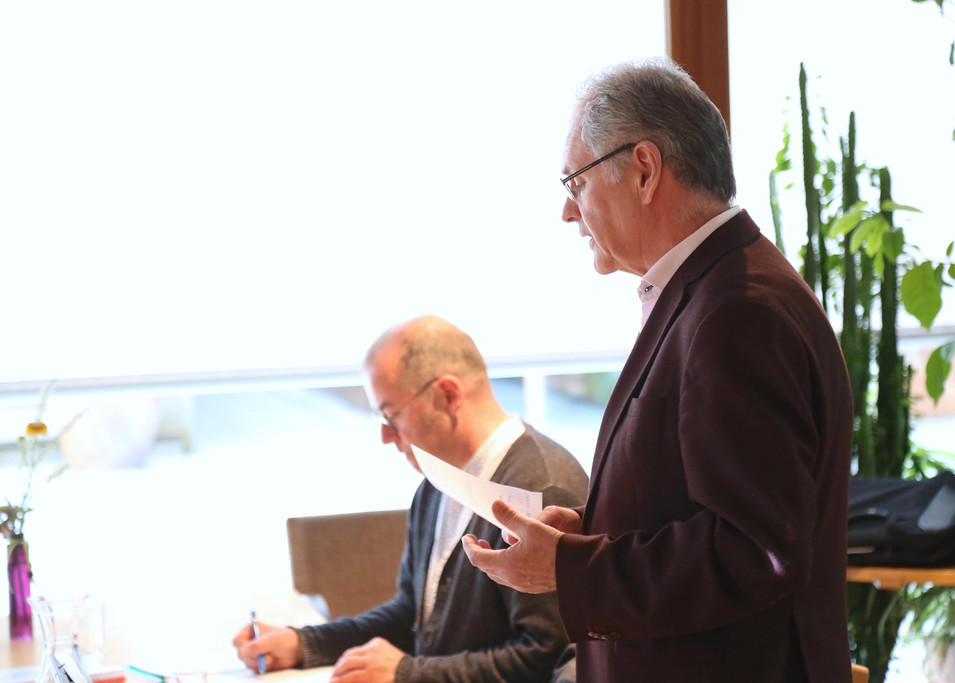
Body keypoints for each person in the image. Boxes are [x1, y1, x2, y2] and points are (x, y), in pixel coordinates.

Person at [462, 58, 854, 682]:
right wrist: (589, 535)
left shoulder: (739, 310)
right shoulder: (715, 290)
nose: (568, 212)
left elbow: (754, 551)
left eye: (576, 182)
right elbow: (696, 506)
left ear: (644, 170)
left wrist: (570, 569)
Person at [233, 315, 588, 683]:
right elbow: (411, 617)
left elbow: (550, 659)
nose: (385, 436)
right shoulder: (440, 479)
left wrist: (409, 673)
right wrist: (304, 644)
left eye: (390, 416)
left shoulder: (542, 488)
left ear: (448, 396)